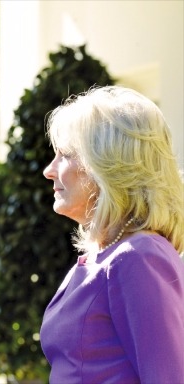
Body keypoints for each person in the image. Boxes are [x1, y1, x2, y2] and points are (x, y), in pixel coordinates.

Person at [40, 85, 184, 382]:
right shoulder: (104, 255)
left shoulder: (139, 257)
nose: (49, 170)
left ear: (107, 165)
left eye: (64, 155)